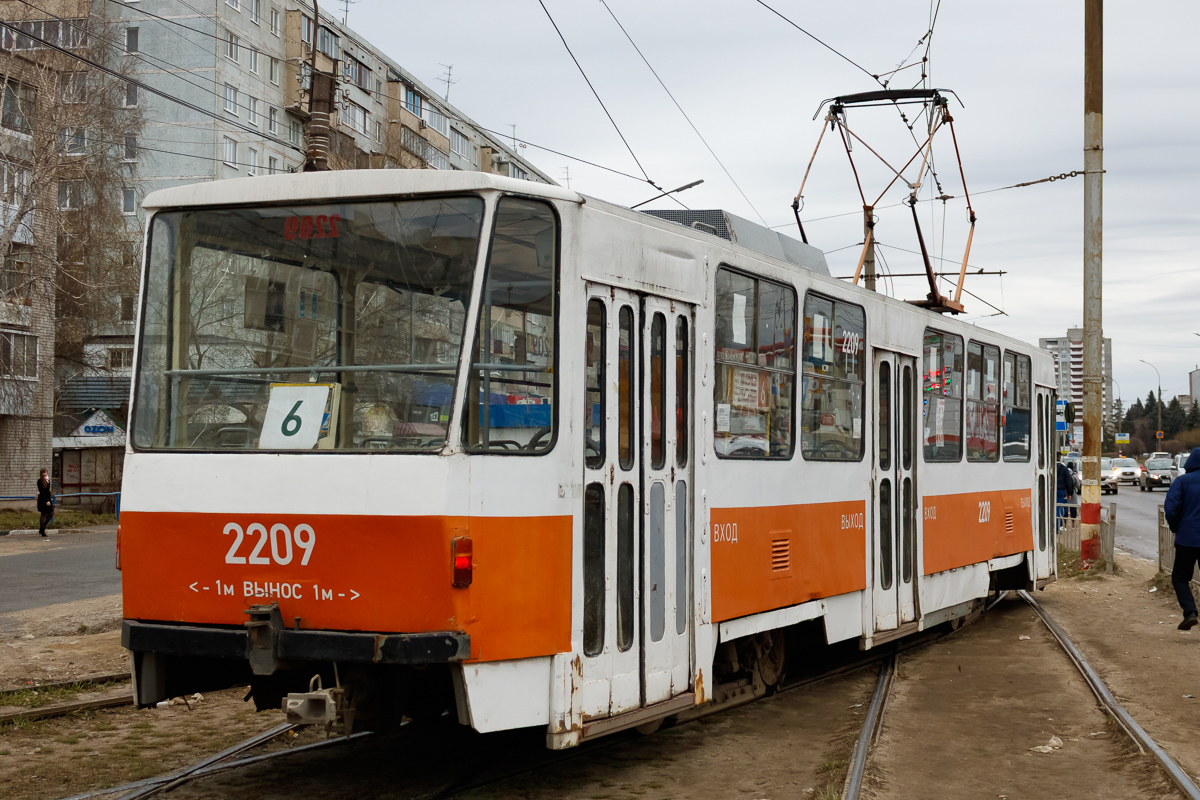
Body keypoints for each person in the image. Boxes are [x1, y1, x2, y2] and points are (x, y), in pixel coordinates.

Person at [1165, 448, 1200, 630]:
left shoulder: (1182, 482)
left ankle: (1190, 612)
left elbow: (1171, 509)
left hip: (1187, 539)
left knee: (1180, 577)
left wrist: (1176, 527)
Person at [1056, 457, 1075, 530]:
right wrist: (1069, 493)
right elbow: (1068, 482)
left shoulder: (1050, 466)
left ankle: (1056, 527)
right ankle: (1059, 526)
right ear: (1060, 458)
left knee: (1054, 508)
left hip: (1051, 490)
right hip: (1061, 491)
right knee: (1060, 508)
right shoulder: (1064, 468)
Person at [36, 468, 53, 537]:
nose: (44, 473)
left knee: (51, 513)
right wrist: (47, 501)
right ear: (41, 474)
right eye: (43, 472)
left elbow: (47, 491)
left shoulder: (47, 480)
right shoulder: (40, 481)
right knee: (44, 514)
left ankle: (42, 528)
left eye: (45, 472)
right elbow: (42, 492)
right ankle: (42, 531)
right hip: (43, 499)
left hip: (48, 498)